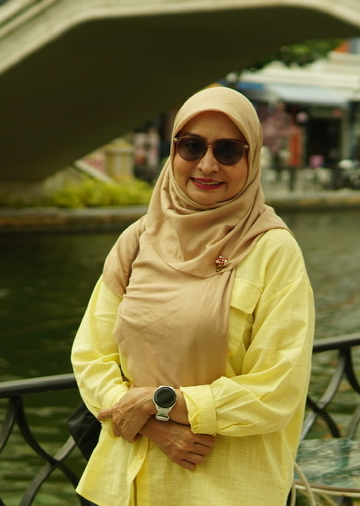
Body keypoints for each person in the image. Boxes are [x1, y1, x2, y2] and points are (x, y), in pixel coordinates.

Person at [71, 86, 315, 506]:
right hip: (124, 484)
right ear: (174, 152)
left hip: (223, 489)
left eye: (227, 151)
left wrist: (159, 403)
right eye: (191, 146)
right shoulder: (137, 240)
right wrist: (151, 422)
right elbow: (91, 357)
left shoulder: (272, 251)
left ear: (252, 158)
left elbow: (277, 389)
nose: (206, 164)